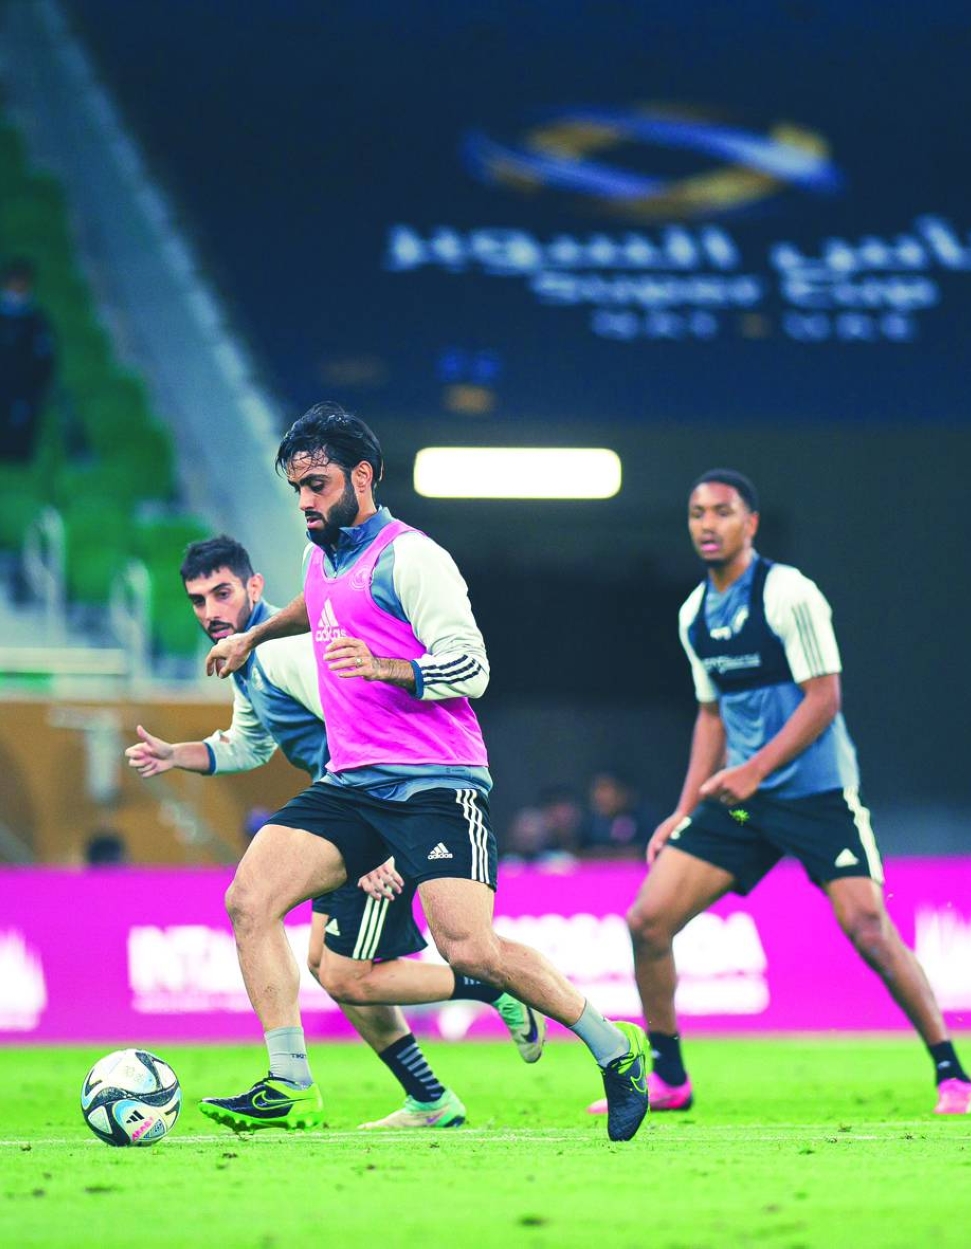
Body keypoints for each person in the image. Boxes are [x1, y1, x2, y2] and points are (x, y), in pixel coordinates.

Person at [199, 403, 650, 1142]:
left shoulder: (413, 558)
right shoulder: (322, 555)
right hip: (352, 783)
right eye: (297, 489)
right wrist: (253, 633)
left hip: (437, 782)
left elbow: (473, 666)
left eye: (317, 484)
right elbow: (311, 603)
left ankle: (613, 1046)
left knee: (469, 947)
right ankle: (290, 1082)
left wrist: (387, 666)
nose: (306, 502)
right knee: (250, 899)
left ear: (364, 475)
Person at [589, 468, 971, 1119]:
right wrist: (684, 811)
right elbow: (711, 717)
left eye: (721, 511)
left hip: (819, 795)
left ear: (751, 523)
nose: (707, 524)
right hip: (743, 805)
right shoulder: (695, 615)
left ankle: (953, 1072)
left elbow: (824, 697)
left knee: (868, 928)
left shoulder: (789, 593)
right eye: (696, 513)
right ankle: (670, 1077)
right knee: (647, 921)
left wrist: (755, 768)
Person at [126, 533, 546, 1130]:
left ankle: (484, 992)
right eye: (198, 600)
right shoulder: (251, 657)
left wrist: (366, 839)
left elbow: (353, 729)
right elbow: (248, 744)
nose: (210, 611)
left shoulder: (286, 650)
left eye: (222, 593)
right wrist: (178, 753)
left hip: (374, 812)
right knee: (334, 971)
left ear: (254, 587)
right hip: (354, 813)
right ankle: (431, 1096)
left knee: (346, 974)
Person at [0, 259, 55, 463]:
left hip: (23, 397)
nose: (17, 290)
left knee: (18, 447)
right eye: (13, 284)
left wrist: (36, 393)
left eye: (21, 285)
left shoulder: (36, 321)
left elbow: (45, 361)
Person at [577, 770, 657, 860]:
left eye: (604, 788)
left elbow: (644, 852)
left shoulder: (644, 819)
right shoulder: (589, 823)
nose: (598, 795)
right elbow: (579, 855)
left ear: (623, 792)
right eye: (596, 789)